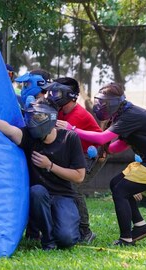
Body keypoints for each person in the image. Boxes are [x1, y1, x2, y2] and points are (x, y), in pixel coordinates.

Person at [56, 82, 146, 246]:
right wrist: (102, 150)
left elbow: (101, 138)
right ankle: (140, 226)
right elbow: (118, 146)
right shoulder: (124, 114)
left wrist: (73, 129)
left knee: (121, 191)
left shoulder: (131, 115)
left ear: (114, 103)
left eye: (104, 103)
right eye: (99, 102)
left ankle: (126, 239)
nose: (100, 106)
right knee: (116, 184)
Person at [0, 99, 86, 250]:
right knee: (37, 191)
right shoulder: (29, 136)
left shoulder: (69, 138)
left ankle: (64, 228)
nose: (33, 122)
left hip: (63, 195)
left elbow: (79, 176)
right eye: (31, 117)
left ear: (51, 118)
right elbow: (9, 129)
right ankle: (48, 240)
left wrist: (50, 166)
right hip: (38, 197)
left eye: (38, 117)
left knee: (67, 239)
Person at [46, 77, 103, 244]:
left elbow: (101, 138)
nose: (53, 95)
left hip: (91, 154)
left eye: (57, 92)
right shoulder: (61, 110)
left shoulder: (79, 114)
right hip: (75, 154)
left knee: (73, 187)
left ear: (68, 95)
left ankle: (85, 231)